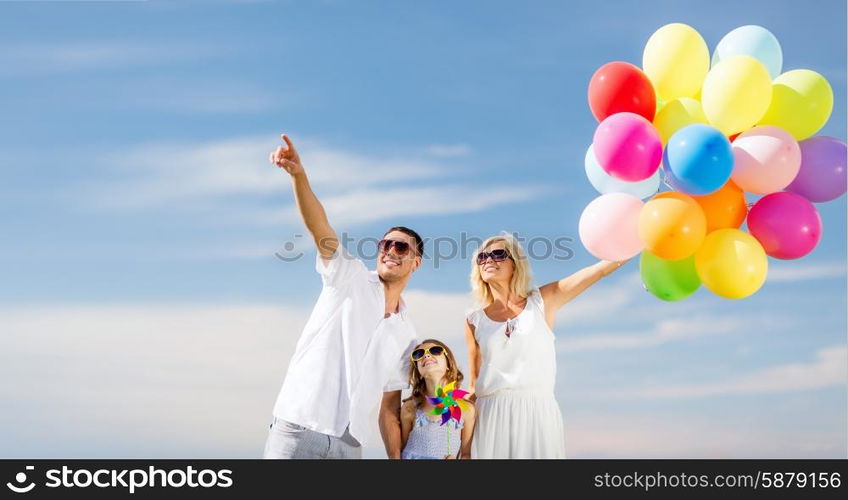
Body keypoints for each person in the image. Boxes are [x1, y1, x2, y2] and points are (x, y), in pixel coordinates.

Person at [264, 134, 423, 459]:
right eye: (385, 245)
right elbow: (320, 227)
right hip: (299, 426)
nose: (391, 250)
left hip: (350, 445)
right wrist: (299, 176)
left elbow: (390, 404)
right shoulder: (347, 276)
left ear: (415, 262)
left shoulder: (407, 334)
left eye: (401, 246)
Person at [465, 233, 626, 458]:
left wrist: (637, 241)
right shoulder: (474, 320)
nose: (488, 260)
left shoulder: (543, 300)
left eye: (498, 254)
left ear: (516, 264)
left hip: (537, 411)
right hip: (490, 415)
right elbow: (473, 385)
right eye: (482, 257)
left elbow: (598, 271)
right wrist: (462, 445)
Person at [400, 339, 476, 459]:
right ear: (418, 372)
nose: (427, 355)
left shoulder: (466, 410)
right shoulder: (410, 408)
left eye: (435, 350)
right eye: (419, 354)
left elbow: (466, 454)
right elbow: (401, 450)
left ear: (448, 364)